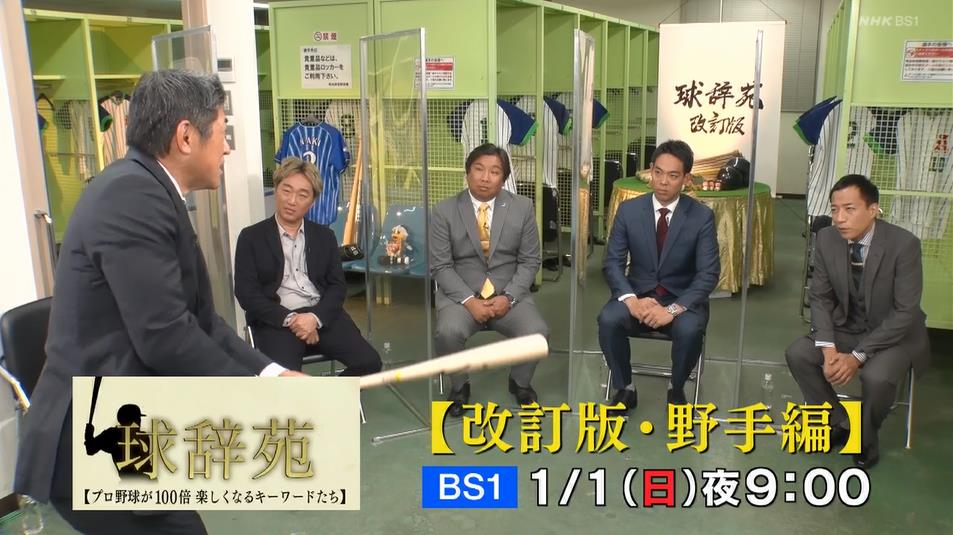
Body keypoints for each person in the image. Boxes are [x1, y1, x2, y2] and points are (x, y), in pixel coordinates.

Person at [15, 69, 304, 535]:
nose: (227, 148)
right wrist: (259, 396)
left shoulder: (150, 190)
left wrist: (271, 373)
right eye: (222, 131)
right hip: (95, 436)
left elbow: (202, 322)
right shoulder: (131, 196)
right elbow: (165, 336)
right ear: (186, 136)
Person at [786, 174, 930, 469]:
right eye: (834, 209)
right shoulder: (827, 239)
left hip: (895, 336)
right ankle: (838, 422)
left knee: (875, 377)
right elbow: (821, 297)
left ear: (873, 209)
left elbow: (905, 312)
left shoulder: (904, 245)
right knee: (799, 353)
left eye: (849, 209)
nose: (839, 218)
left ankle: (865, 437)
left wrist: (856, 356)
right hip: (848, 327)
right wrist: (828, 349)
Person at [598, 139, 720, 412]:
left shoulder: (701, 216)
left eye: (673, 176)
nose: (663, 182)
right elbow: (613, 263)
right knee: (608, 319)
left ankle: (676, 388)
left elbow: (708, 274)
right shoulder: (629, 210)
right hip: (638, 296)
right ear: (650, 171)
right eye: (658, 172)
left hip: (681, 299)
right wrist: (632, 301)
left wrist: (672, 310)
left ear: (686, 179)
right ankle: (625, 387)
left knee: (690, 329)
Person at [431, 143, 549, 416]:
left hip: (508, 295)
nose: (485, 178)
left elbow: (530, 260)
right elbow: (441, 266)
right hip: (461, 297)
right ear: (467, 172)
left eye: (494, 172)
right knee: (448, 332)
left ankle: (519, 382)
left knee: (537, 332)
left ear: (504, 178)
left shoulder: (522, 207)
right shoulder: (444, 210)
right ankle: (459, 386)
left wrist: (509, 297)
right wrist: (469, 301)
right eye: (479, 169)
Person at [234, 156, 381, 374]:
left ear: (312, 202)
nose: (292, 201)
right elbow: (246, 294)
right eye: (286, 191)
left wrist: (314, 318)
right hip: (276, 320)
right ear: (276, 190)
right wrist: (292, 320)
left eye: (302, 195)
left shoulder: (324, 236)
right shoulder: (251, 237)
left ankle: (327, 395)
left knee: (369, 363)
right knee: (286, 380)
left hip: (321, 314)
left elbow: (337, 286)